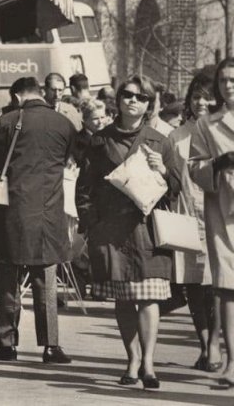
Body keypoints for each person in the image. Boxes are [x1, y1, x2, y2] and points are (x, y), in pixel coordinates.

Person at [77, 75, 177, 389]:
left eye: (140, 97)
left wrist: (162, 170)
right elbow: (85, 187)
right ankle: (131, 359)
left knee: (149, 299)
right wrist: (91, 221)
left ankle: (148, 363)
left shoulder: (160, 140)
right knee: (123, 299)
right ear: (118, 100)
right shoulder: (99, 139)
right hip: (112, 231)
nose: (133, 100)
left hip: (146, 230)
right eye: (127, 95)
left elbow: (175, 190)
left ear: (148, 105)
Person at [0, 76, 75, 364]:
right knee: (45, 280)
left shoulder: (9, 121)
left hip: (12, 212)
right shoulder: (64, 123)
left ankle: (7, 343)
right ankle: (51, 345)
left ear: (17, 95)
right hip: (49, 213)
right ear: (41, 93)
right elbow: (70, 158)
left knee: (8, 279)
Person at [167, 72, 221, 373]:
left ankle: (214, 344)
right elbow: (172, 181)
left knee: (219, 287)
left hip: (221, 217)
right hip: (187, 217)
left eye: (207, 96)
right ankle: (204, 345)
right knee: (195, 287)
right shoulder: (176, 136)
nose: (201, 101)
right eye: (196, 96)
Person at [188, 57, 234, 388]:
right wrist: (218, 163)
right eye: (223, 81)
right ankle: (231, 362)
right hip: (224, 211)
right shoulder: (208, 124)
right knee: (228, 289)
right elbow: (194, 166)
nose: (228, 86)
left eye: (233, 80)